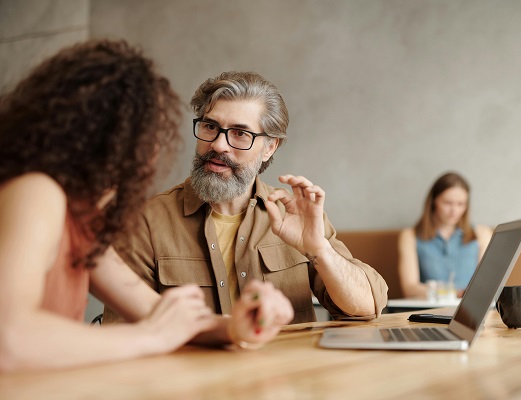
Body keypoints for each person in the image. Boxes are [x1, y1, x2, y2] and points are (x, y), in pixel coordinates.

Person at [0, 40, 293, 372]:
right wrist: (150, 337)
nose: (154, 148)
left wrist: (234, 327)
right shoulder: (37, 192)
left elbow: (155, 312)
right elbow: (8, 339)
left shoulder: (84, 219)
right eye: (147, 130)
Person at [104, 71, 388, 324]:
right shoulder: (146, 220)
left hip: (286, 379)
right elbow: (123, 334)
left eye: (240, 133)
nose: (218, 144)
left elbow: (365, 307)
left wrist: (319, 250)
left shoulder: (296, 216)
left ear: (269, 147)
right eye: (210, 126)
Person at [397, 172, 493, 298]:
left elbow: (486, 285)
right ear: (433, 202)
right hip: (429, 309)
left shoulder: (482, 234)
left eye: (460, 204)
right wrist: (455, 293)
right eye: (447, 203)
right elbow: (409, 288)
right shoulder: (410, 236)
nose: (454, 211)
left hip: (469, 310)